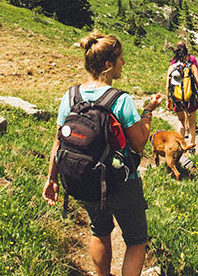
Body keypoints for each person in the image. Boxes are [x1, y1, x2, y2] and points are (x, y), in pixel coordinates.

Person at [42, 30, 163, 276]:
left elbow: (58, 141)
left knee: (99, 231)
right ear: (108, 65)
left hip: (84, 179)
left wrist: (51, 179)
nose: (123, 64)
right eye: (120, 59)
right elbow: (139, 144)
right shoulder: (119, 99)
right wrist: (148, 112)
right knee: (136, 241)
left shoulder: (71, 95)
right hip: (121, 182)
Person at [166, 42, 198, 146]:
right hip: (190, 98)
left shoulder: (171, 67)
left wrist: (168, 100)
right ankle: (191, 146)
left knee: (181, 122)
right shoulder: (191, 66)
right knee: (192, 124)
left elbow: (167, 86)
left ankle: (181, 145)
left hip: (177, 99)